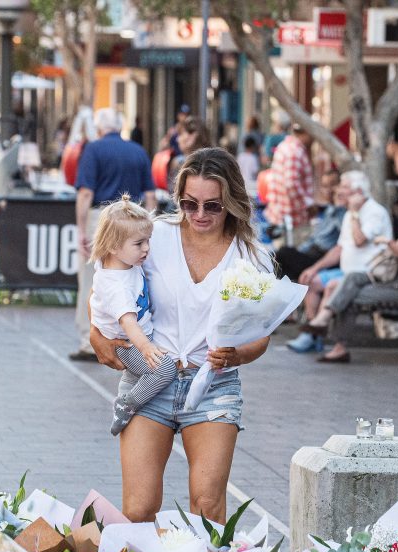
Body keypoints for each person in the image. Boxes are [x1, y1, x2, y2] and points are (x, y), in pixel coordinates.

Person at [89, 147, 274, 523]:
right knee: (138, 508)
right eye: (190, 204)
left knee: (207, 506)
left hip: (214, 385)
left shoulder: (251, 257)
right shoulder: (153, 237)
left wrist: (237, 355)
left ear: (232, 202)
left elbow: (262, 336)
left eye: (212, 206)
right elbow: (108, 286)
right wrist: (97, 336)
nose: (200, 214)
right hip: (149, 379)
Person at [302, 192, 398, 363]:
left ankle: (338, 346)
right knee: (353, 277)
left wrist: (387, 241)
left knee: (350, 297)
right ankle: (324, 317)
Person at [70, 108, 157, 362]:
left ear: (99, 128)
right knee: (135, 279)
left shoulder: (93, 150)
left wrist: (80, 229)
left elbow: (85, 193)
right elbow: (150, 195)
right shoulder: (138, 151)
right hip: (135, 221)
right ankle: (135, 336)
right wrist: (148, 230)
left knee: (93, 279)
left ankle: (92, 341)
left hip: (103, 220)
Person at [89, 195, 177, 436]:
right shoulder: (117, 287)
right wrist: (147, 348)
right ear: (113, 247)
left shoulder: (123, 263)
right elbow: (128, 322)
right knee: (164, 370)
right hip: (127, 343)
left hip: (136, 337)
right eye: (139, 244)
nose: (146, 248)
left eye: (148, 241)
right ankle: (127, 404)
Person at [294, 170, 393, 360]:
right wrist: (315, 268)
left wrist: (355, 213)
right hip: (346, 271)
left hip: (367, 275)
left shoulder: (374, 212)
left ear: (358, 192)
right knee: (311, 281)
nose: (338, 190)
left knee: (333, 286)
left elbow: (359, 240)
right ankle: (314, 335)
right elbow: (340, 248)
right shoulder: (349, 214)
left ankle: (323, 335)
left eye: (344, 187)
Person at [276, 169, 346, 352]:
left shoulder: (343, 212)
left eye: (333, 185)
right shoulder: (329, 211)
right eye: (325, 186)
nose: (329, 190)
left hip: (326, 259)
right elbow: (314, 240)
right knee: (277, 260)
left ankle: (290, 315)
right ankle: (285, 312)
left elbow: (341, 245)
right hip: (313, 254)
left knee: (283, 254)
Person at [265, 121, 314, 239]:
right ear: (306, 133)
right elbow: (291, 184)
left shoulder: (284, 146)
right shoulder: (294, 152)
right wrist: (308, 204)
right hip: (291, 220)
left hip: (282, 216)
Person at [167, 116, 210, 195]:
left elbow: (173, 193)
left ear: (193, 136)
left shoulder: (179, 162)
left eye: (181, 134)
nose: (177, 139)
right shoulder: (214, 160)